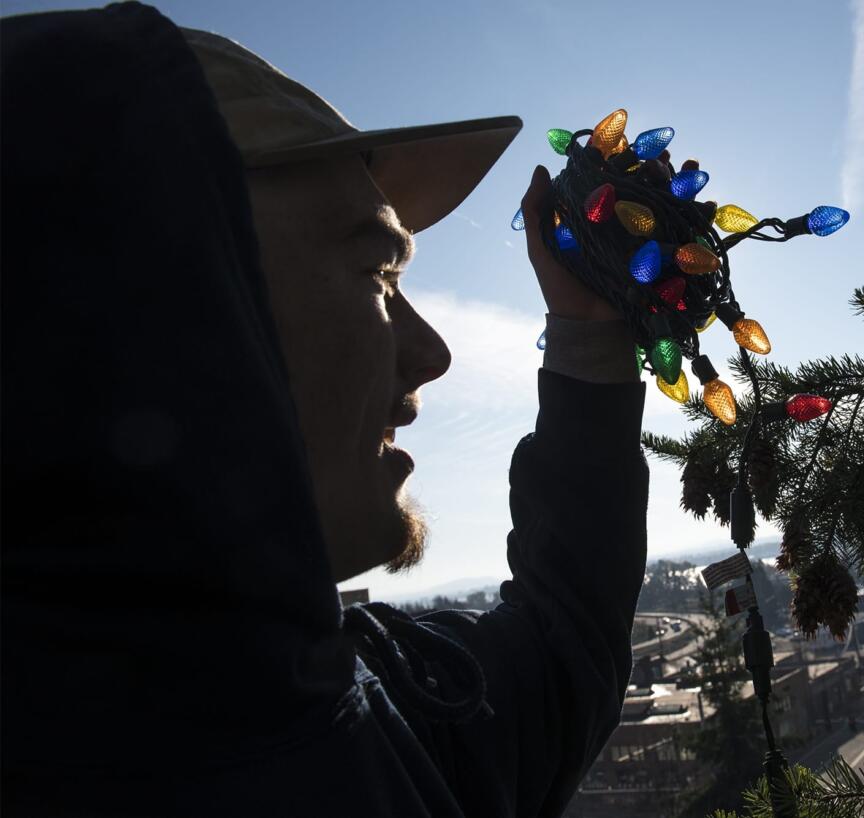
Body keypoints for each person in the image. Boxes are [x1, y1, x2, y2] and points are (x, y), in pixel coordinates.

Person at [0, 4, 648, 816]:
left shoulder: (374, 702)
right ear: (157, 309)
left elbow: (561, 653)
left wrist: (588, 337)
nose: (433, 355)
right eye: (380, 273)